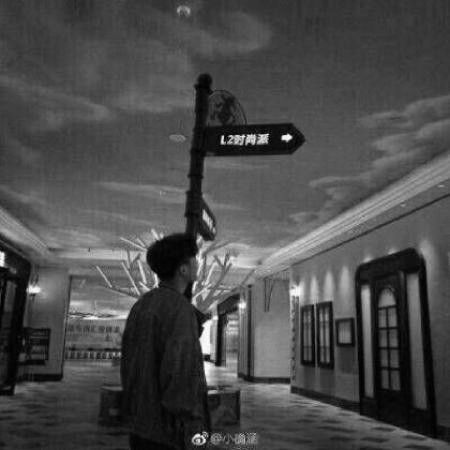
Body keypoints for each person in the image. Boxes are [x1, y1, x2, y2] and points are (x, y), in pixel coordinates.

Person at [121, 233, 211, 450]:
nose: (198, 262)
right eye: (194, 258)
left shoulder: (141, 304)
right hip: (168, 432)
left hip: (140, 423)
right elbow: (180, 374)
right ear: (183, 269)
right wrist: (192, 424)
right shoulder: (180, 310)